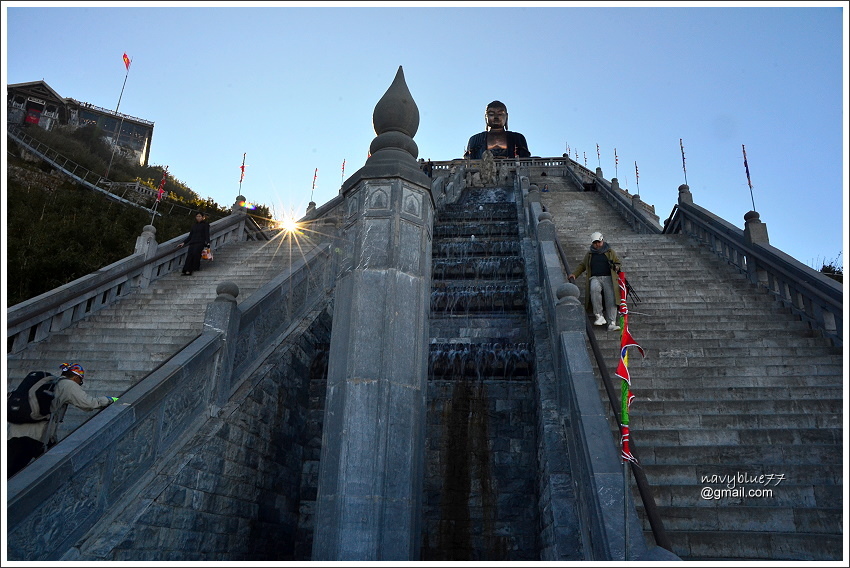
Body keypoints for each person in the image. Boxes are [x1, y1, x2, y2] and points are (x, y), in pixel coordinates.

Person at [7, 363, 115, 478]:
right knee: (17, 474)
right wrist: (110, 400)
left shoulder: (50, 383)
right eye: (80, 381)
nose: (80, 384)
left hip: (16, 431)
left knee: (12, 470)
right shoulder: (68, 385)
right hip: (37, 436)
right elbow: (89, 403)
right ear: (76, 377)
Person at [569, 232, 622, 331]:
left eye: (598, 242)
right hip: (595, 277)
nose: (597, 245)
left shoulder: (610, 252)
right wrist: (574, 274)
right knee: (594, 290)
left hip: (608, 278)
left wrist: (616, 267)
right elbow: (582, 265)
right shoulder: (590, 254)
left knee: (611, 298)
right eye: (595, 243)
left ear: (602, 240)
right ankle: (599, 315)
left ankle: (611, 322)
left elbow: (618, 263)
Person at [464, 100, 531, 160]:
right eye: (491, 114)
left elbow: (525, 159)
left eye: (500, 114)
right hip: (482, 171)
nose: (496, 117)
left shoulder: (517, 138)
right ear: (486, 117)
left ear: (506, 116)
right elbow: (468, 160)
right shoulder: (475, 139)